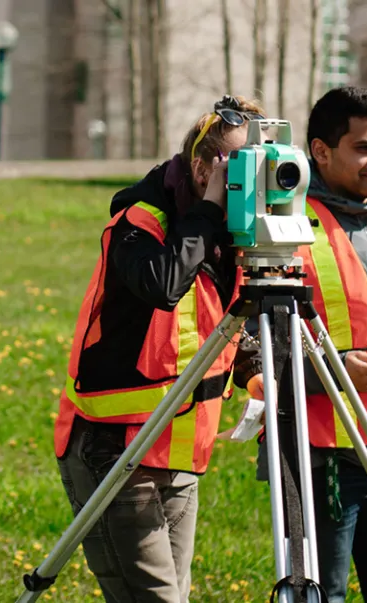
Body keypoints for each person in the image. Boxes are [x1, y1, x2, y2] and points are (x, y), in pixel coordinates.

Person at [232, 86, 367, 603]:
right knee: (320, 594)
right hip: (319, 456)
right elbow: (242, 344)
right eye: (365, 148)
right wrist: (333, 375)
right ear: (320, 151)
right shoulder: (280, 231)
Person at [51, 95, 264, 603]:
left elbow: (229, 320)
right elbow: (164, 284)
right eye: (236, 167)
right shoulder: (139, 220)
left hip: (179, 453)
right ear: (200, 167)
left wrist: (254, 371)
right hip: (115, 449)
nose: (246, 184)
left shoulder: (235, 236)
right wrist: (210, 210)